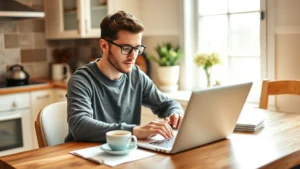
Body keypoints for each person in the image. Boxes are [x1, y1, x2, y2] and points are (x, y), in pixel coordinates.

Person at [65, 10, 184, 143]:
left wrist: (176, 113)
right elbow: (80, 126)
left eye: (137, 48)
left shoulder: (136, 75)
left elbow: (167, 104)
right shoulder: (81, 80)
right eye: (126, 48)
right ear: (104, 45)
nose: (133, 56)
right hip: (83, 156)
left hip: (123, 155)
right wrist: (134, 131)